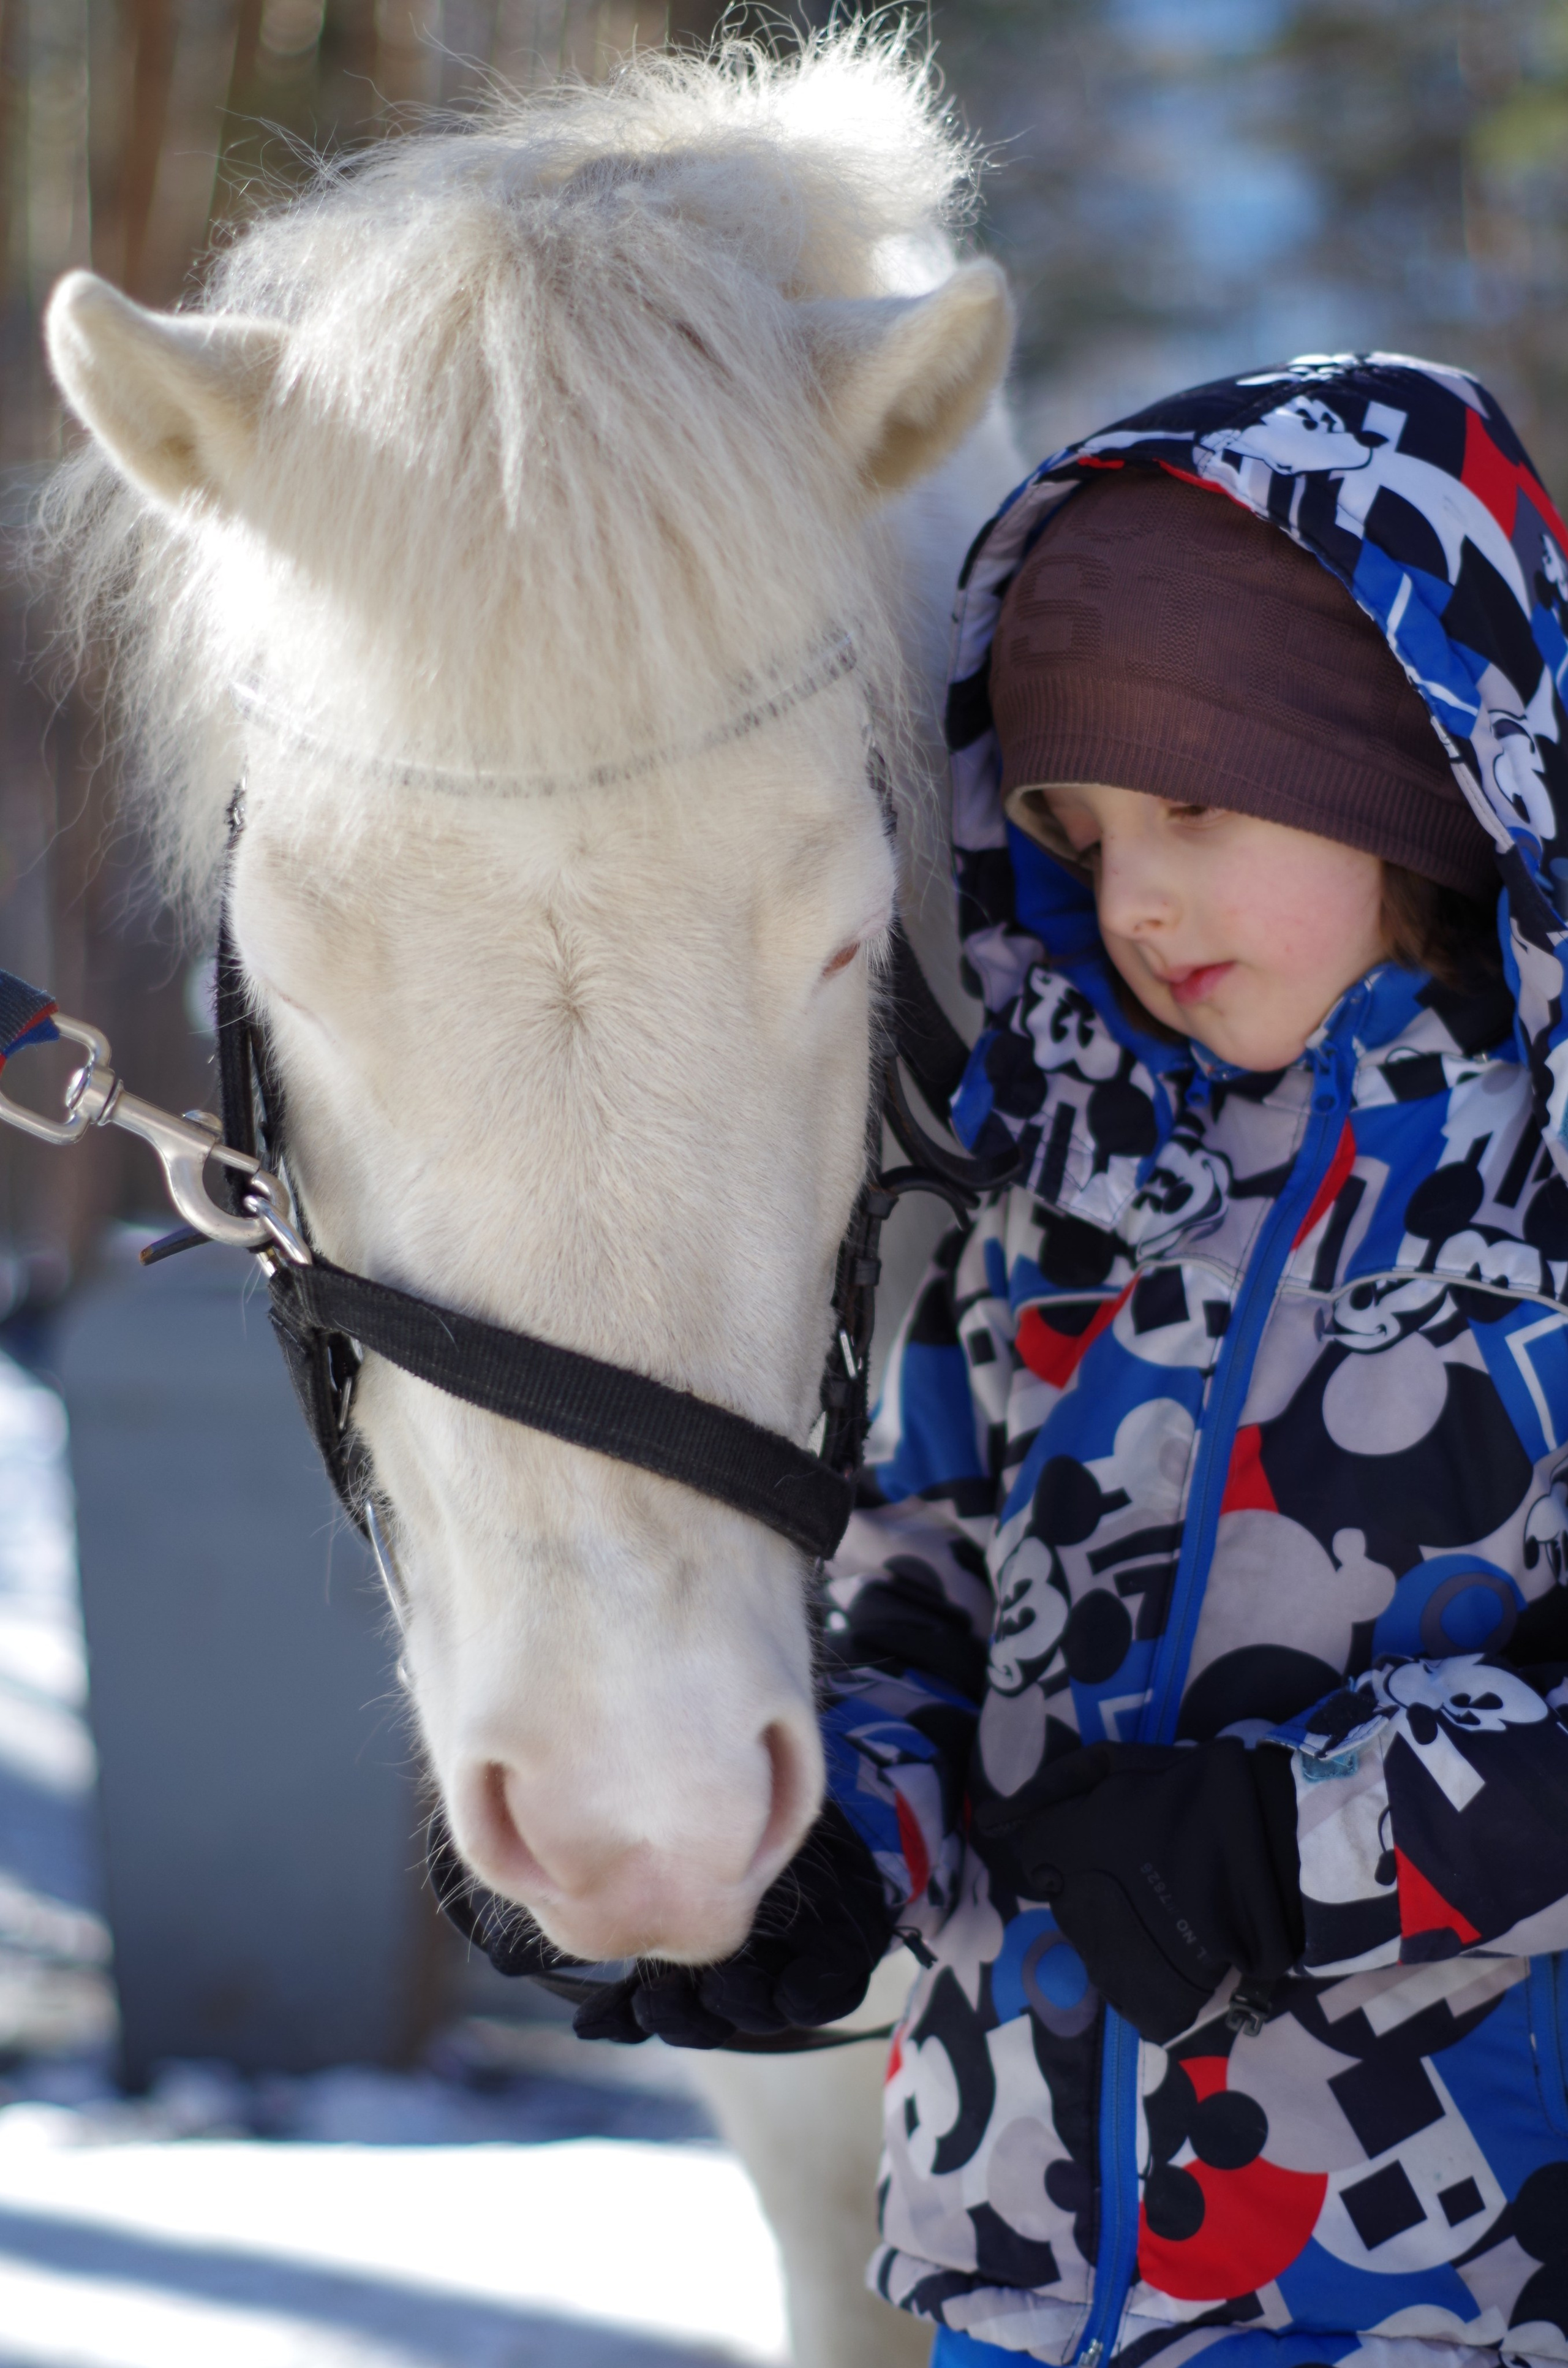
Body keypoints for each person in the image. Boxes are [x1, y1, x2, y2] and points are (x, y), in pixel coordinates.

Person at [461, 355, 1568, 2368]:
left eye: (1197, 803)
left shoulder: (1546, 1185)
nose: (1130, 894)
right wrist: (827, 1864)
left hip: (1459, 2289)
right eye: (1070, 822)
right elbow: (925, 1599)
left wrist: (1298, 1846)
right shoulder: (1070, 1202)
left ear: (1414, 757)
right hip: (1035, 2276)